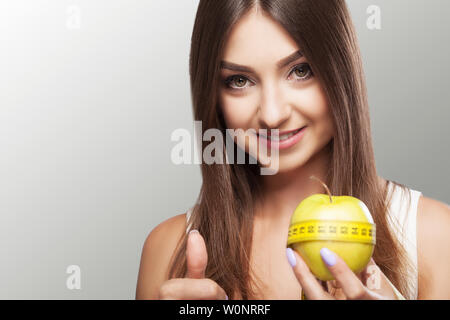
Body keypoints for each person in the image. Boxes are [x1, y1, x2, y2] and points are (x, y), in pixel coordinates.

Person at [136, 0, 450, 300]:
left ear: (341, 69)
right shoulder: (166, 251)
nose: (272, 114)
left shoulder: (435, 238)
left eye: (300, 71)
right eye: (239, 80)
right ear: (212, 93)